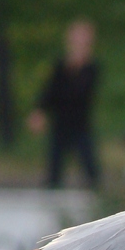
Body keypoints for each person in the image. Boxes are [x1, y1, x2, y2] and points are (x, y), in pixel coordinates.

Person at [28, 20, 101, 189]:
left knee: (90, 166)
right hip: (60, 121)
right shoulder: (60, 64)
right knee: (54, 167)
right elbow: (50, 91)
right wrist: (39, 111)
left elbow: (82, 93)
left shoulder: (92, 67)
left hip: (80, 122)